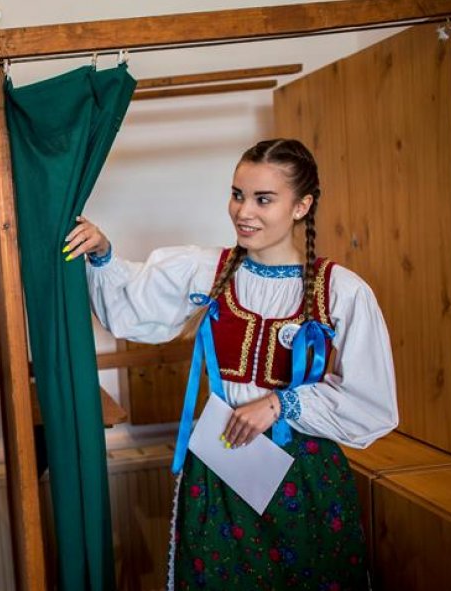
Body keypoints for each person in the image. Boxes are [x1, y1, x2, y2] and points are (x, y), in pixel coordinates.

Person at [64, 138, 397, 589]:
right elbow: (133, 305)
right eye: (238, 194)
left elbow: (372, 403)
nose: (244, 211)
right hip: (222, 465)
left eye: (263, 199)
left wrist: (280, 405)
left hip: (306, 476)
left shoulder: (340, 290)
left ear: (301, 206)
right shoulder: (209, 271)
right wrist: (102, 253)